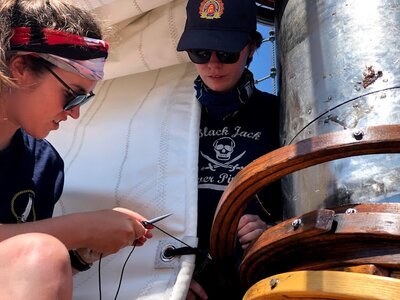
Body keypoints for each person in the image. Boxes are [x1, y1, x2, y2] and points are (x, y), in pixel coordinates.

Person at [0, 1, 152, 299]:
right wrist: (81, 227)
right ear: (21, 69)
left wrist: (81, 255)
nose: (75, 113)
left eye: (84, 100)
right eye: (72, 95)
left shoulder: (45, 164)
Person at [177, 0, 282, 299]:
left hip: (256, 283)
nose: (212, 64)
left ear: (250, 48)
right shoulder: (169, 116)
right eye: (199, 52)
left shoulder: (281, 115)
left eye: (226, 53)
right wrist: (170, 277)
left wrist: (269, 231)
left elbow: (305, 204)